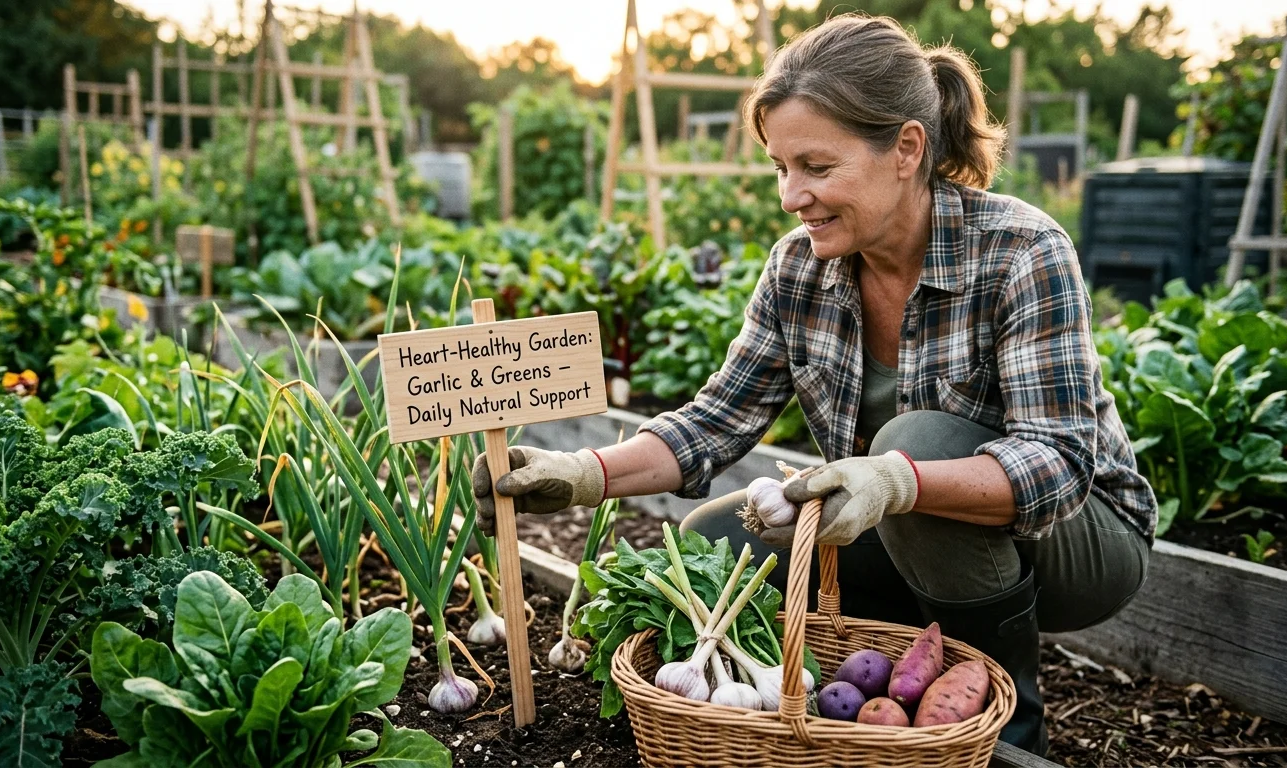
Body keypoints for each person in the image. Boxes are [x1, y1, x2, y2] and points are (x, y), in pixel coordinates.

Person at [471, 14, 1156, 757]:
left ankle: (1007, 732)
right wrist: (581, 473)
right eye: (779, 167)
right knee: (720, 542)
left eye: (817, 168)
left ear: (906, 149)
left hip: (1083, 542)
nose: (792, 195)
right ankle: (867, 696)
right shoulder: (800, 266)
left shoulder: (1022, 250)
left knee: (914, 442)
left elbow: (1058, 466)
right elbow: (716, 422)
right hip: (921, 535)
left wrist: (897, 481)